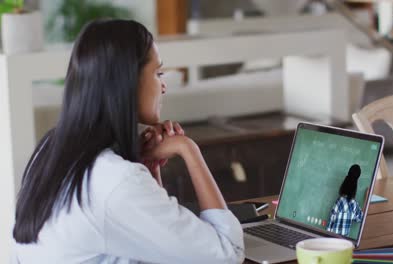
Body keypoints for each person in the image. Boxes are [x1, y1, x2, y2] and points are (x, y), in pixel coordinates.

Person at [11, 19, 244, 264]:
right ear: (127, 82)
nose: (163, 86)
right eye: (158, 73)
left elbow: (159, 246)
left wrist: (150, 170)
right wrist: (189, 149)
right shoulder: (115, 179)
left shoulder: (50, 150)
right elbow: (227, 253)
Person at [326, 164, 364, 236]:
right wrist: (366, 198)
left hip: (332, 240)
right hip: (344, 243)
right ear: (354, 188)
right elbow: (361, 218)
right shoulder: (354, 205)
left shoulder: (339, 202)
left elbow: (330, 225)